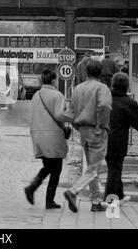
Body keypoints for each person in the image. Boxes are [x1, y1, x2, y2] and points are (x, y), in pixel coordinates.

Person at [64, 60, 112, 213]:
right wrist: (101, 124)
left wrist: (76, 125)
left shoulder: (78, 88)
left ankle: (96, 201)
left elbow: (71, 109)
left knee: (92, 168)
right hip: (96, 130)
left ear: (86, 72)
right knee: (94, 168)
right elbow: (104, 105)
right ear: (100, 73)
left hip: (82, 130)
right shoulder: (101, 88)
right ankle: (73, 191)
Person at [24, 69, 73, 209]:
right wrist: (72, 117)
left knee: (48, 166)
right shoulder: (57, 95)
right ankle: (45, 197)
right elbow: (59, 115)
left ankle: (35, 189)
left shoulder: (36, 95)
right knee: (56, 168)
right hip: (53, 135)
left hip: (38, 135)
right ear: (53, 80)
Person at [104, 72, 138, 204]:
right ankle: (109, 199)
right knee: (115, 169)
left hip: (102, 138)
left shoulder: (106, 99)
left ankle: (120, 195)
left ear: (113, 84)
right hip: (118, 141)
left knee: (113, 167)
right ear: (127, 86)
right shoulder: (130, 103)